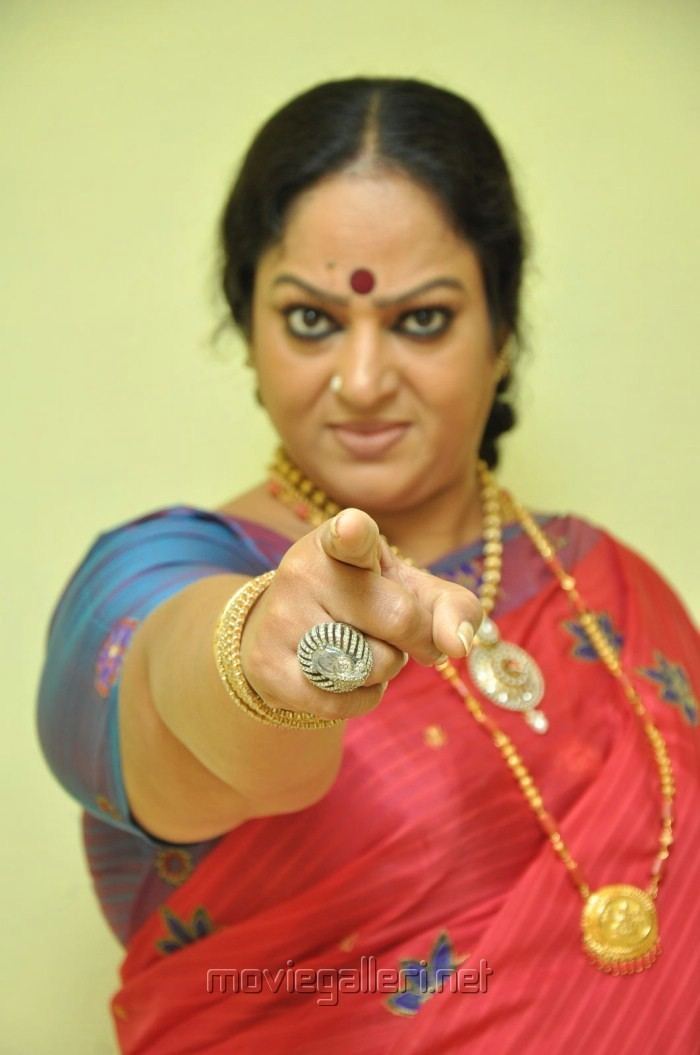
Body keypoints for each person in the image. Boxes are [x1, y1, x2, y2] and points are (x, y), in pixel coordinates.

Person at [36, 77, 700, 1054]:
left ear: (502, 336)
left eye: (421, 319)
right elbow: (170, 699)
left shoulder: (611, 586)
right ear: (248, 331)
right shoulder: (157, 567)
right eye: (311, 320)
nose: (359, 379)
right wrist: (260, 656)